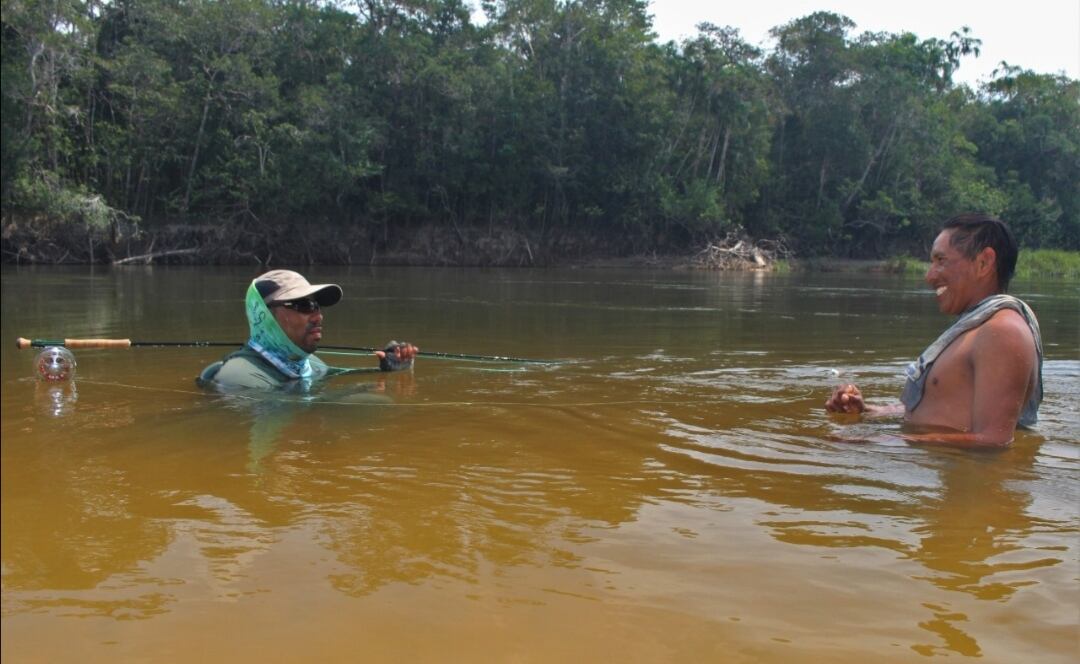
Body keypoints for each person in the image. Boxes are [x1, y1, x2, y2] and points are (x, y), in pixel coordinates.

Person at [825, 214, 1043, 448]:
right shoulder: (976, 330)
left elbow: (993, 440)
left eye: (941, 260)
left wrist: (886, 441)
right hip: (941, 468)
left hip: (961, 471)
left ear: (984, 263)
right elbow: (944, 408)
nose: (929, 276)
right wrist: (869, 411)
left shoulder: (1002, 331)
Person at [199, 269, 417, 390]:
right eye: (303, 305)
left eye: (316, 305)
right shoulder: (240, 377)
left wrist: (386, 371)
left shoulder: (310, 363)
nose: (318, 316)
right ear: (265, 316)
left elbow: (333, 375)